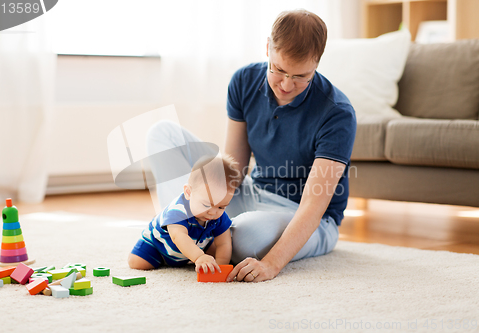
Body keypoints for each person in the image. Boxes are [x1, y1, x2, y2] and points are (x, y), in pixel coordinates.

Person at [145, 9, 356, 282]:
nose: (286, 85)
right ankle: (177, 235)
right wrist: (207, 199)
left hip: (304, 216)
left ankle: (199, 240)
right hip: (251, 192)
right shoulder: (244, 81)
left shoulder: (338, 113)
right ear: (268, 47)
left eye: (301, 76)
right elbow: (232, 170)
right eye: (278, 70)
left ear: (317, 62)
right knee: (162, 134)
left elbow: (313, 208)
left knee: (245, 239)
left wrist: (270, 264)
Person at [128, 154, 240, 274]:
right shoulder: (177, 211)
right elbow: (178, 237)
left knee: (217, 250)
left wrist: (221, 266)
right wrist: (199, 257)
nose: (213, 212)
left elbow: (224, 242)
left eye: (221, 207)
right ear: (188, 192)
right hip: (158, 246)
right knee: (137, 263)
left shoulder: (219, 216)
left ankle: (193, 256)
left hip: (197, 245)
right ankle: (170, 259)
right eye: (206, 205)